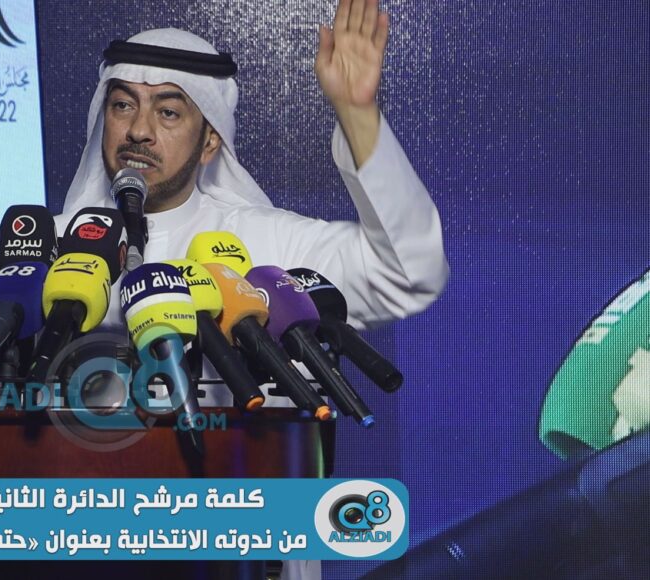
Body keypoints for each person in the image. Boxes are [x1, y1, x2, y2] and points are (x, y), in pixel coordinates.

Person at [53, 1, 448, 578]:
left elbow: (411, 271)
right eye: (122, 105)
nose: (138, 130)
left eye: (168, 111)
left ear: (210, 142)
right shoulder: (54, 251)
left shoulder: (267, 245)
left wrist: (358, 116)